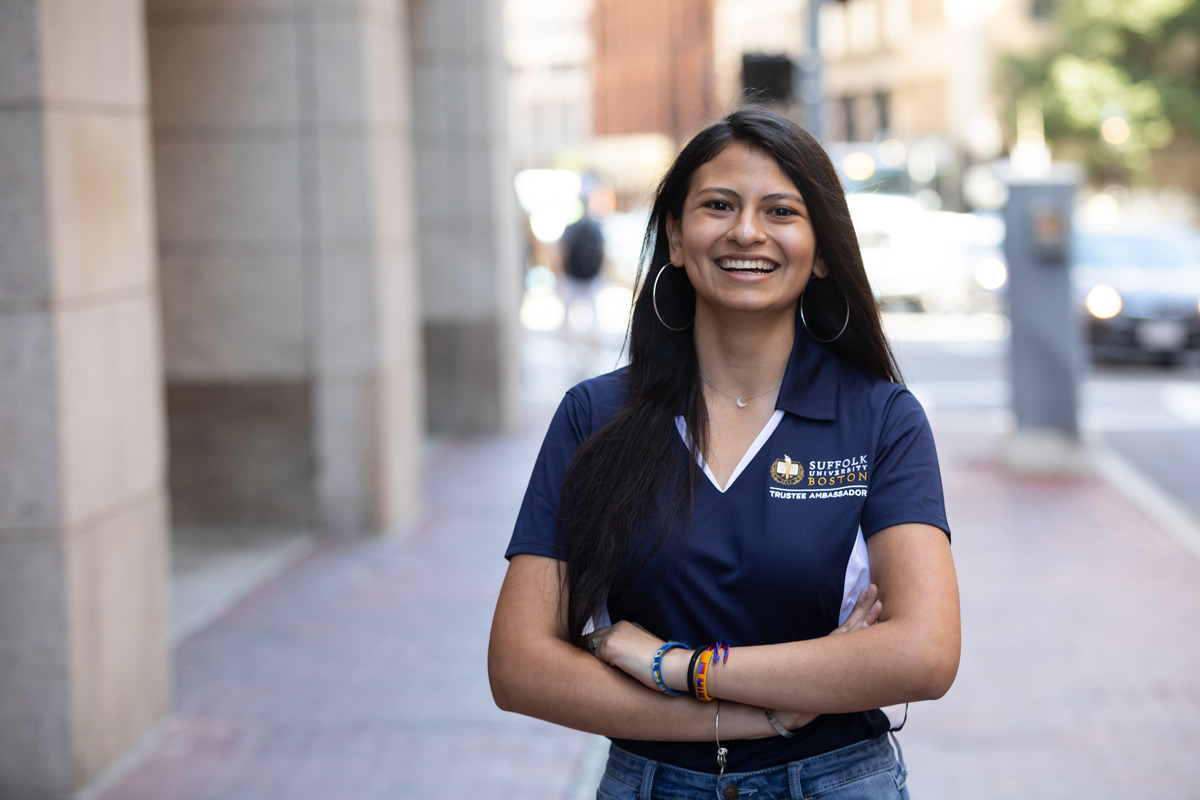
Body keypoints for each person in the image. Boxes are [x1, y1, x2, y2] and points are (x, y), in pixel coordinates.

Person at [489, 106, 959, 799]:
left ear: (822, 248)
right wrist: (755, 716)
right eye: (718, 205)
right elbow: (520, 666)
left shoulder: (880, 418)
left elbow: (924, 652)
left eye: (781, 211)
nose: (746, 231)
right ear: (676, 237)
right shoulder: (595, 418)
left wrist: (681, 668)